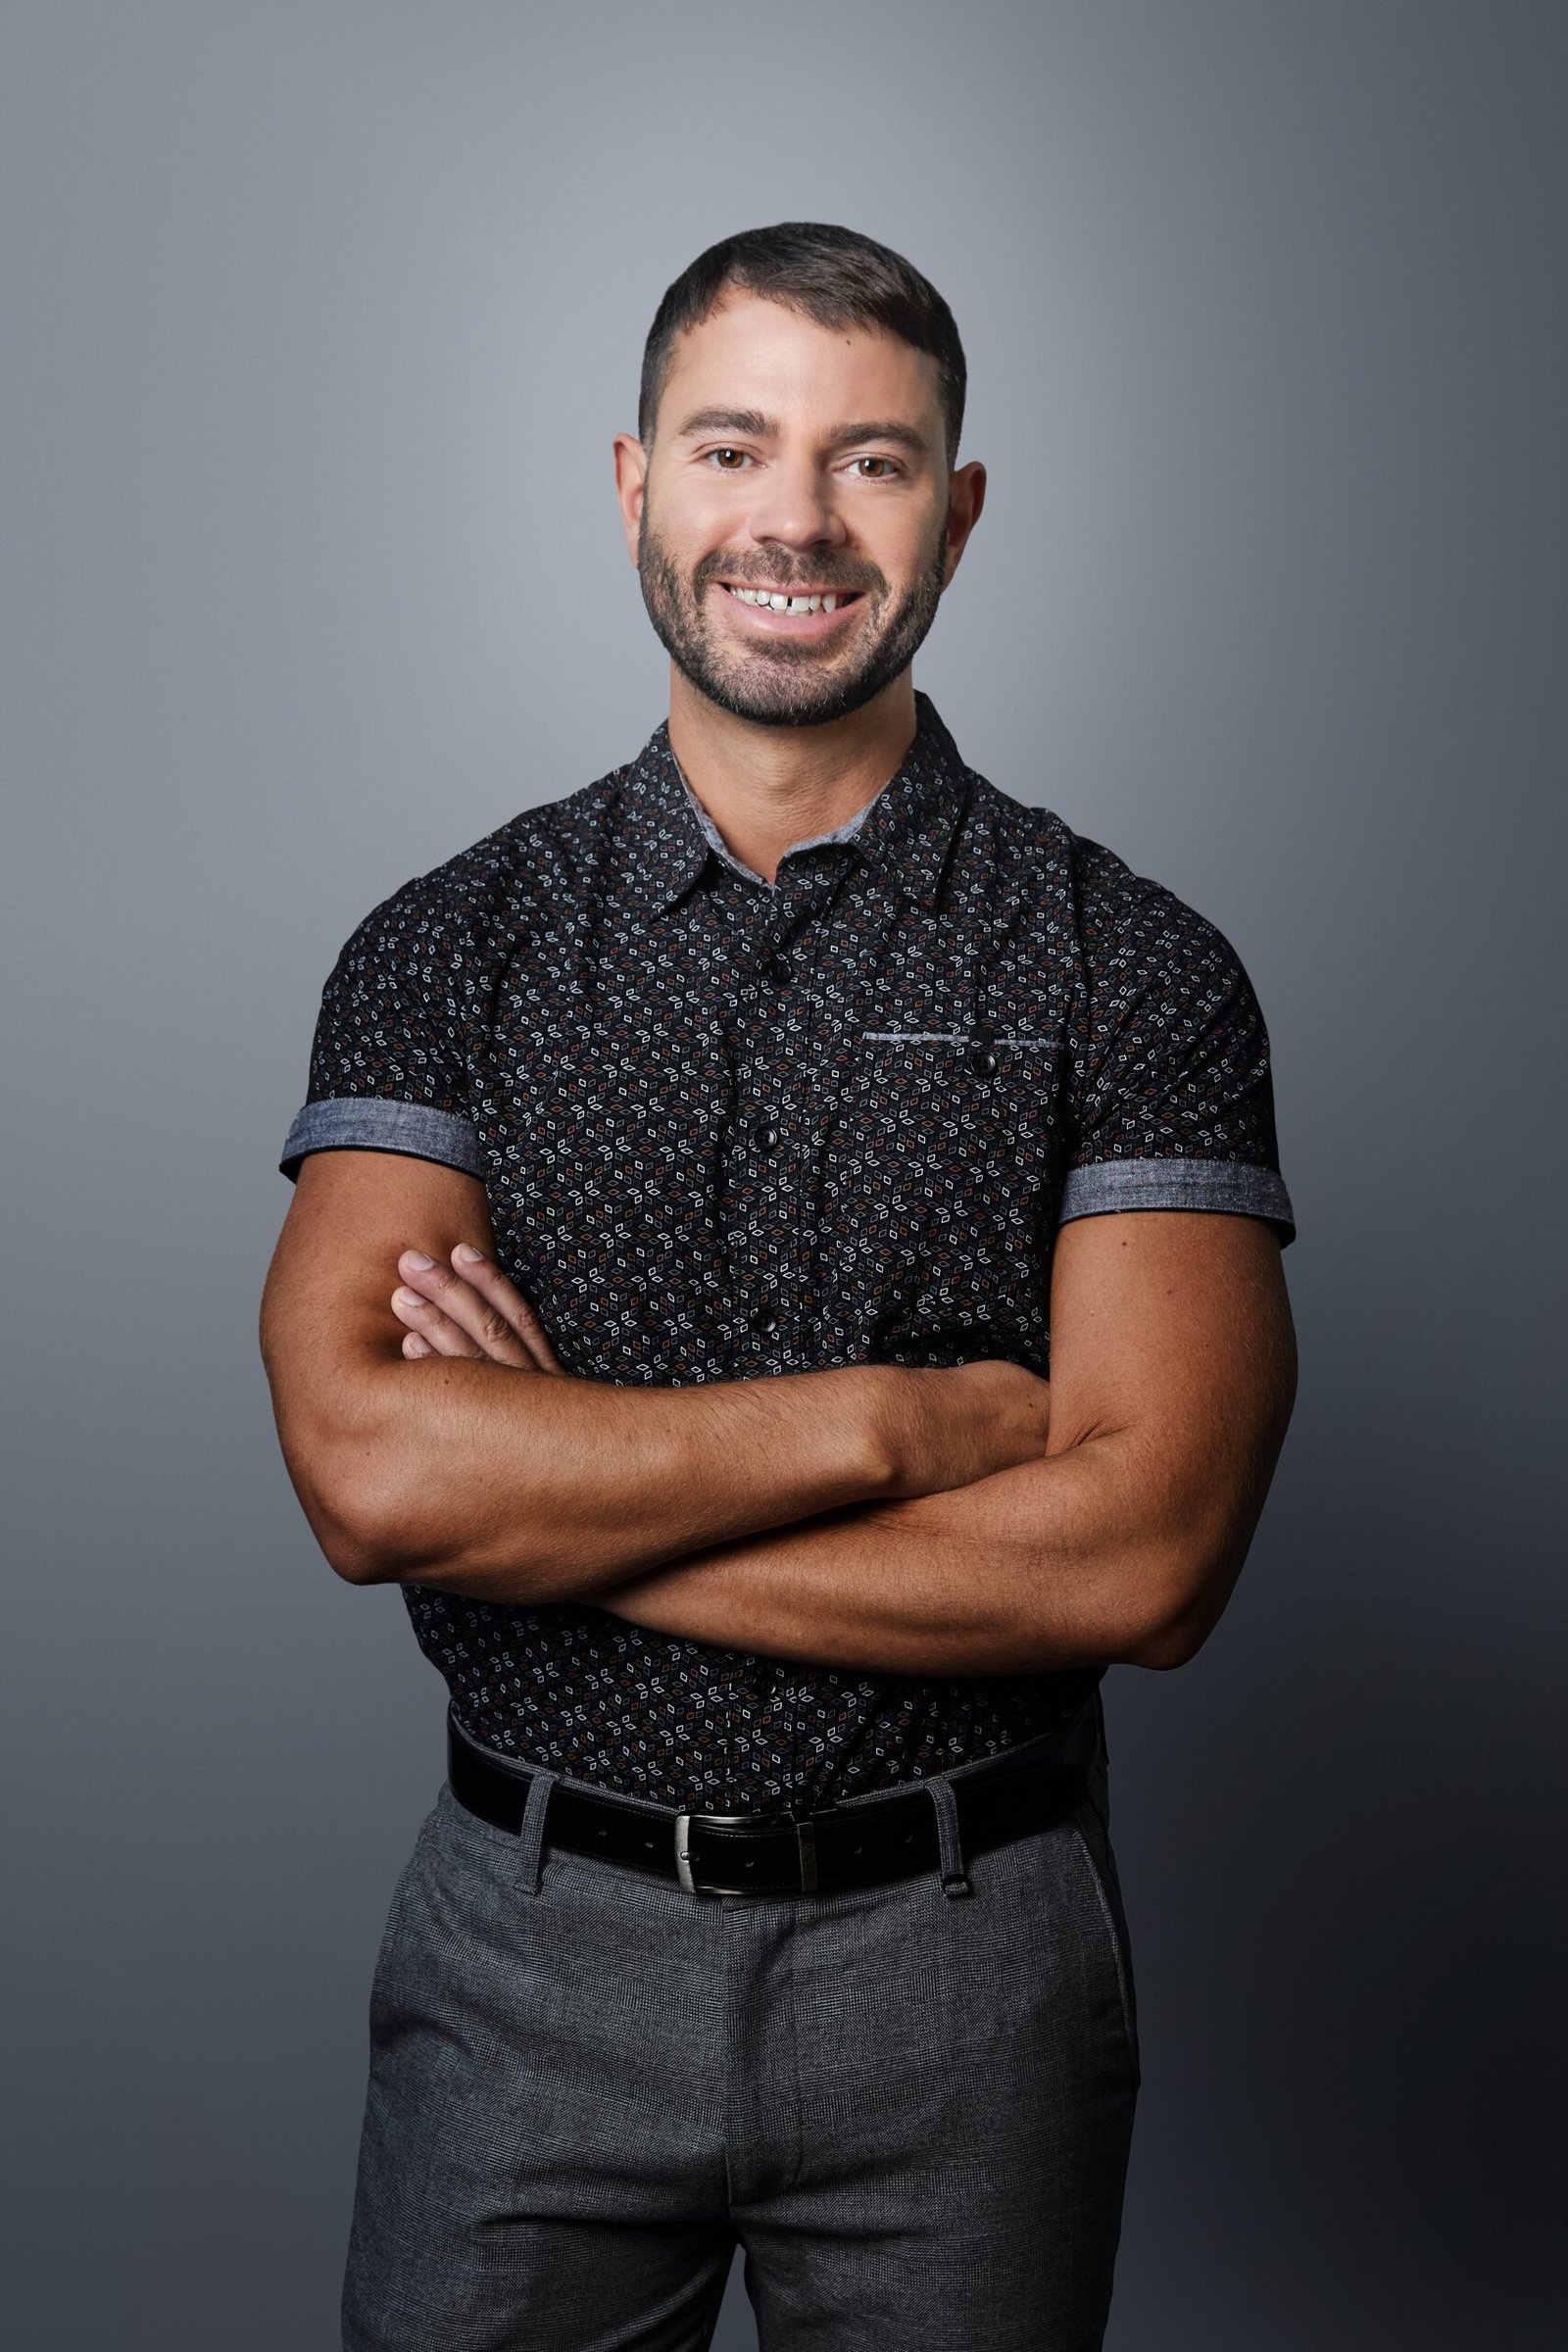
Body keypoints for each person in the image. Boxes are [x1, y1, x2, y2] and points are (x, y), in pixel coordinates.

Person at [261, 220, 1298, 2352]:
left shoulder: (1133, 968)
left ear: (958, 512)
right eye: (733, 449)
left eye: (873, 462)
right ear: (634, 483)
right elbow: (370, 1474)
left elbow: (1141, 1558)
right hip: (527, 1952)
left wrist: (542, 1513)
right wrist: (901, 1425)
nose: (795, 523)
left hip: (963, 1968)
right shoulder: (442, 949)